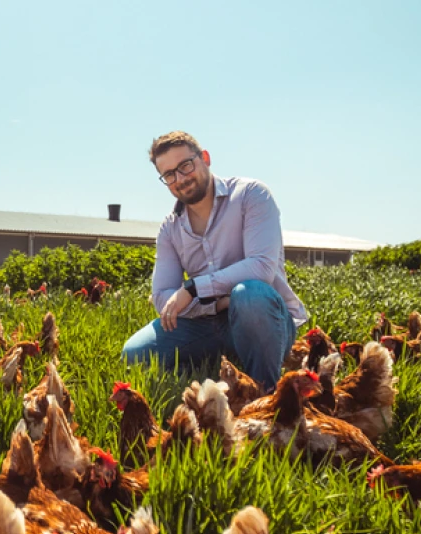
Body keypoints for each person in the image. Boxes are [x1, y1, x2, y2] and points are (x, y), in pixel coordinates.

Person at [121, 130, 307, 390]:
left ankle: (264, 392)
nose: (180, 179)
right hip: (205, 325)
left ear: (205, 158)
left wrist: (194, 288)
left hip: (262, 319)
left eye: (185, 165)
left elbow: (261, 268)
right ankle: (215, 371)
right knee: (134, 354)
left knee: (250, 294)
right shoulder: (170, 229)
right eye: (169, 175)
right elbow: (164, 297)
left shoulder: (251, 195)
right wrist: (218, 304)